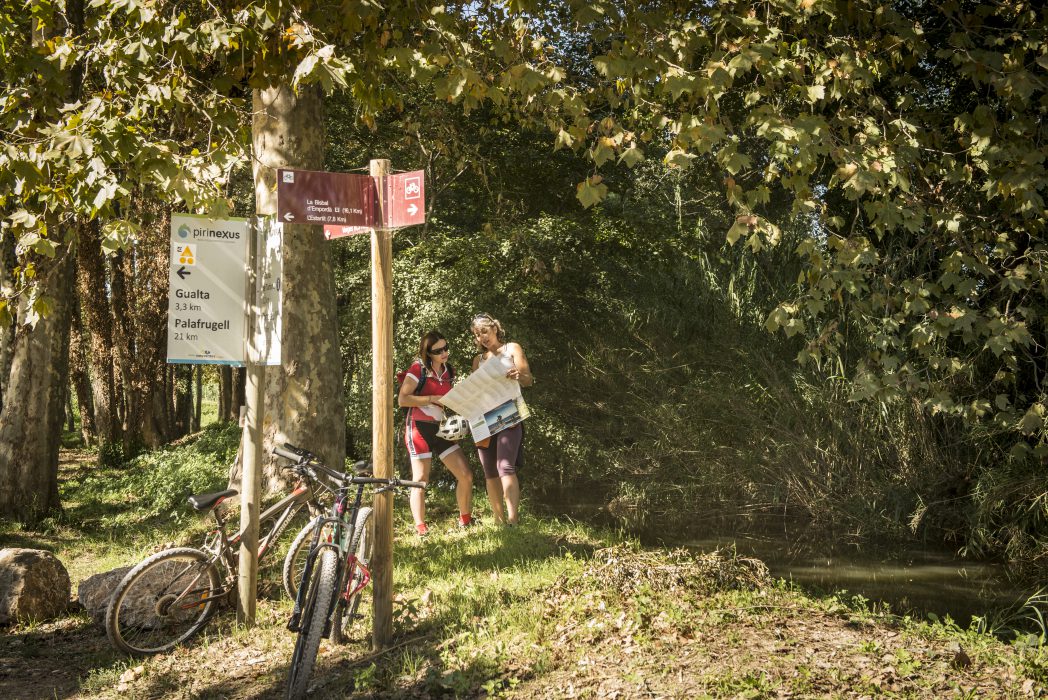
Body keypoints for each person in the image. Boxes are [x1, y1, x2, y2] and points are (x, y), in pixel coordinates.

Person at [398, 331, 474, 535]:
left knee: (465, 475)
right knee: (420, 479)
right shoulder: (418, 369)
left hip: (441, 428)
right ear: (428, 353)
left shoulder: (449, 371)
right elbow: (403, 399)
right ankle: (421, 528)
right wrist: (431, 398)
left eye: (446, 348)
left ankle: (465, 520)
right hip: (418, 427)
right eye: (438, 350)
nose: (444, 353)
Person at [471, 313, 533, 526]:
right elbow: (474, 392)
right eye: (478, 335)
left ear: (495, 329)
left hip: (509, 413)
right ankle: (498, 522)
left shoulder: (512, 349)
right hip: (483, 418)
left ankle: (513, 521)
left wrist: (519, 375)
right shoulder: (478, 361)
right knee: (489, 471)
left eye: (485, 332)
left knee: (505, 467)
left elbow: (528, 380)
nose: (482, 338)